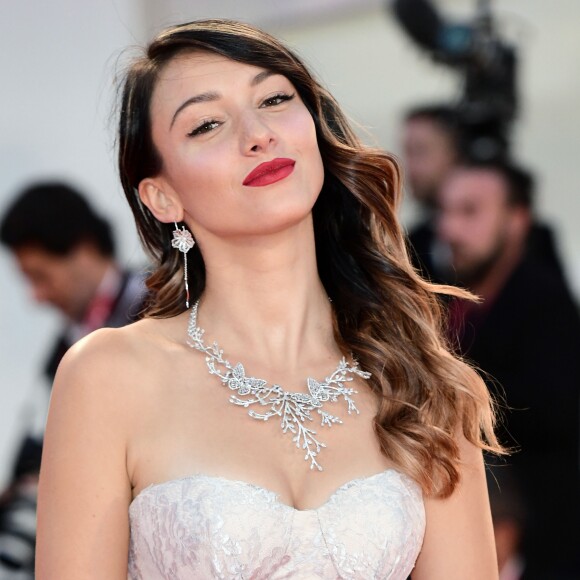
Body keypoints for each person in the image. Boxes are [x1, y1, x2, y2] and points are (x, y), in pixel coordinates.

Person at [36, 20, 503, 579]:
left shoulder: (425, 385)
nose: (257, 133)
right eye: (207, 124)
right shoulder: (107, 376)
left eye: (275, 98)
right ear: (162, 197)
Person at [437, 161, 580, 579]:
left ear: (517, 221)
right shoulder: (447, 294)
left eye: (470, 212)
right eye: (445, 211)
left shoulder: (546, 304)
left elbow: (554, 412)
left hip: (540, 542)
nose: (449, 229)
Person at [0, 182, 146, 575]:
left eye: (40, 276)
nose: (36, 296)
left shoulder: (158, 312)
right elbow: (35, 448)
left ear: (82, 249)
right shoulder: (63, 347)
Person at [402, 104, 462, 282]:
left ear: (455, 154)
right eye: (408, 153)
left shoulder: (520, 241)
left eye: (421, 151)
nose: (409, 167)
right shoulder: (413, 246)